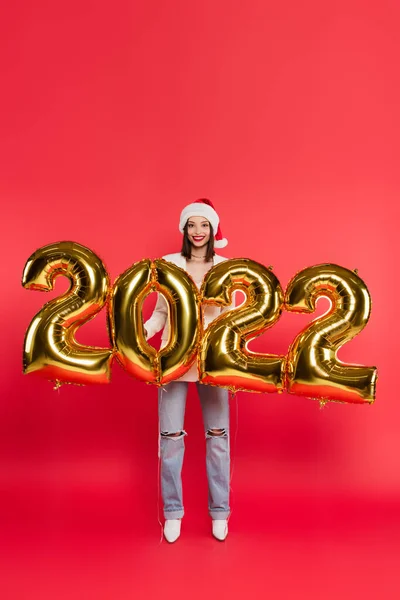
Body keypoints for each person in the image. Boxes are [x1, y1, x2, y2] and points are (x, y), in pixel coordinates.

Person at [144, 199, 232, 543]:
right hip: (173, 359)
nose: (198, 232)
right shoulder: (169, 264)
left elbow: (229, 320)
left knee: (218, 439)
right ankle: (173, 513)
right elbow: (160, 315)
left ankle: (220, 513)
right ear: (184, 229)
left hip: (212, 361)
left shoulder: (226, 267)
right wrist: (139, 330)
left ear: (212, 230)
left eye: (204, 225)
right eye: (192, 225)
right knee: (169, 441)